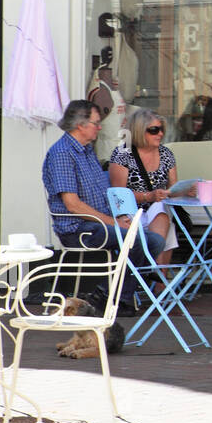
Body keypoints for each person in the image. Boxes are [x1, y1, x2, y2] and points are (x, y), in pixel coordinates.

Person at [43, 100, 164, 315]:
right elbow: (72, 205)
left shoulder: (86, 150)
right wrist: (114, 223)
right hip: (78, 228)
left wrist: (122, 216)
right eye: (96, 123)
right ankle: (114, 298)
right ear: (80, 125)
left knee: (154, 241)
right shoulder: (62, 153)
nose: (100, 127)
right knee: (136, 240)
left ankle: (111, 295)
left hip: (101, 223)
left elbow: (104, 193)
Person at [108, 107, 179, 265]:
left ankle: (157, 281)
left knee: (161, 209)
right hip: (130, 214)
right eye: (154, 130)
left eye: (161, 129)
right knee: (170, 229)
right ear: (139, 131)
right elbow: (118, 196)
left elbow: (173, 188)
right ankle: (155, 274)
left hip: (157, 211)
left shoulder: (166, 154)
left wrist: (185, 190)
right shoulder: (123, 154)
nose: (160, 134)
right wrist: (149, 196)